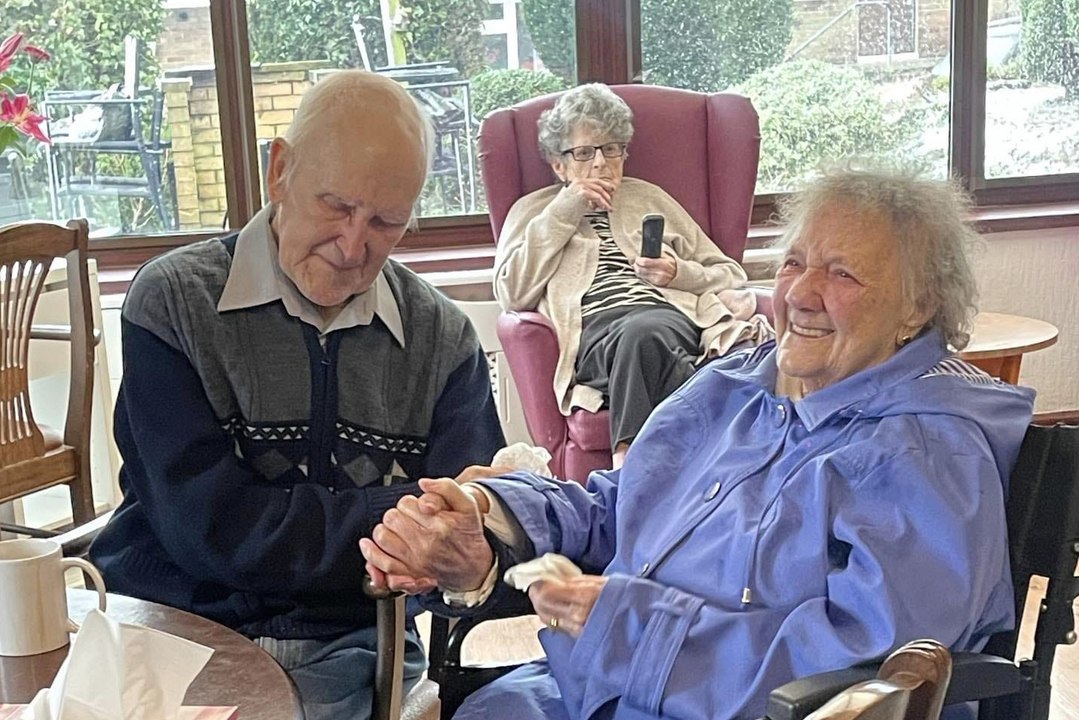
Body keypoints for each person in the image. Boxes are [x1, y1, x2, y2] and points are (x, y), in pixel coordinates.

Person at [361, 166, 1037, 719]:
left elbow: (877, 670)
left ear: (917, 307)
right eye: (794, 262)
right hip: (595, 687)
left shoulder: (925, 451)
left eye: (843, 274)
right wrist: (494, 514)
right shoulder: (735, 385)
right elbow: (623, 503)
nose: (801, 293)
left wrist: (628, 627)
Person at [89, 70, 505, 720]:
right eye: (336, 206)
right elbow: (209, 529)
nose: (353, 246)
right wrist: (394, 518)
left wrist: (456, 543)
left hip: (348, 646)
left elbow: (467, 532)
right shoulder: (173, 303)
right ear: (279, 171)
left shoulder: (442, 340)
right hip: (173, 630)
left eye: (386, 221)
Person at [494, 83, 771, 468]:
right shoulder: (532, 212)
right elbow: (512, 292)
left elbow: (728, 274)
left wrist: (678, 273)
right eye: (584, 153)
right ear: (559, 165)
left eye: (611, 149)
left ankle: (625, 472)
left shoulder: (648, 197)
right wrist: (566, 209)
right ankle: (713, 439)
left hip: (669, 320)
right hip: (594, 339)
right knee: (644, 340)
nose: (600, 163)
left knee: (645, 332)